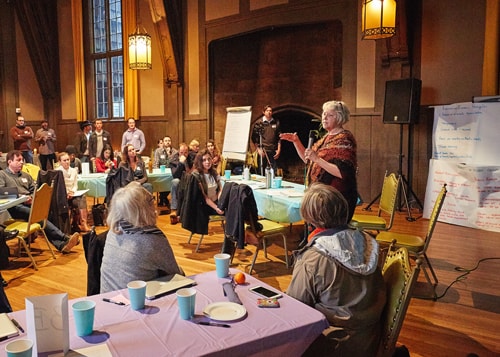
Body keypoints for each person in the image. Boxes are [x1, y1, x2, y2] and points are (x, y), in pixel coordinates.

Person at [287, 183, 386, 356]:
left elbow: (296, 308)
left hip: (332, 344)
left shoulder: (314, 258)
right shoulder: (368, 242)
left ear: (310, 220)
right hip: (371, 340)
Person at [280, 100, 358, 222]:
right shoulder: (326, 138)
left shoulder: (344, 139)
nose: (325, 118)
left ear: (339, 118)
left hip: (336, 200)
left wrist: (317, 158)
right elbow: (308, 160)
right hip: (321, 196)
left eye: (330, 115)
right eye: (323, 114)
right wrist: (296, 141)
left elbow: (342, 172)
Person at [100, 181, 184, 293]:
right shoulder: (152, 240)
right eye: (151, 199)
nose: (154, 204)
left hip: (106, 299)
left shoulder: (114, 230)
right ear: (143, 208)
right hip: (135, 304)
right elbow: (176, 274)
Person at [0, 150, 80, 253]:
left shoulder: (25, 175)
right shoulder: (2, 175)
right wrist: (21, 196)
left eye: (22, 160)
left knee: (44, 214)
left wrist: (33, 198)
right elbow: (2, 192)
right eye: (18, 160)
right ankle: (64, 238)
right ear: (9, 162)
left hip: (30, 204)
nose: (21, 162)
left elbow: (34, 189)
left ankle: (61, 245)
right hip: (14, 207)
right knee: (37, 215)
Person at [57, 152, 92, 233]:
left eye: (68, 160)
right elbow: (58, 187)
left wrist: (73, 191)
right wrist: (66, 193)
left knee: (82, 197)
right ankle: (70, 225)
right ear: (60, 162)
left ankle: (83, 223)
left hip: (73, 194)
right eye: (64, 160)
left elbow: (75, 184)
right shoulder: (57, 172)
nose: (67, 162)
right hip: (63, 196)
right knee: (77, 200)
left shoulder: (73, 170)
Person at [191, 148, 224, 216]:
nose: (207, 162)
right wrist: (216, 208)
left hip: (216, 202)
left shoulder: (214, 172)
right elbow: (204, 196)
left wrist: (221, 204)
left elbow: (220, 189)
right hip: (204, 206)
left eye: (209, 159)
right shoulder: (196, 175)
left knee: (234, 208)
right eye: (204, 160)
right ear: (200, 162)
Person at [251, 105, 281, 175]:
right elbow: (254, 138)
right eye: (267, 111)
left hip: (273, 151)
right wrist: (258, 149)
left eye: (270, 111)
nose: (269, 112)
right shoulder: (259, 123)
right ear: (263, 112)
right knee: (261, 172)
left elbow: (279, 137)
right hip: (263, 151)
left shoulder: (276, 122)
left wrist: (279, 149)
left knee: (273, 172)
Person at [169, 142, 189, 211]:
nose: (183, 154)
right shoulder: (173, 160)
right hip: (180, 179)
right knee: (175, 182)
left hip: (190, 179)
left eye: (185, 152)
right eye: (181, 152)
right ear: (178, 152)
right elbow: (175, 175)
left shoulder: (191, 159)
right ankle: (174, 207)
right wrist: (180, 163)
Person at [154, 139, 170, 207]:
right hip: (161, 172)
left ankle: (162, 197)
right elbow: (156, 163)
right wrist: (158, 172)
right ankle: (164, 197)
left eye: (169, 140)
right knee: (160, 180)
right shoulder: (158, 151)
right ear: (163, 142)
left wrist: (169, 155)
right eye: (166, 141)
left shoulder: (174, 151)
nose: (167, 142)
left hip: (170, 172)